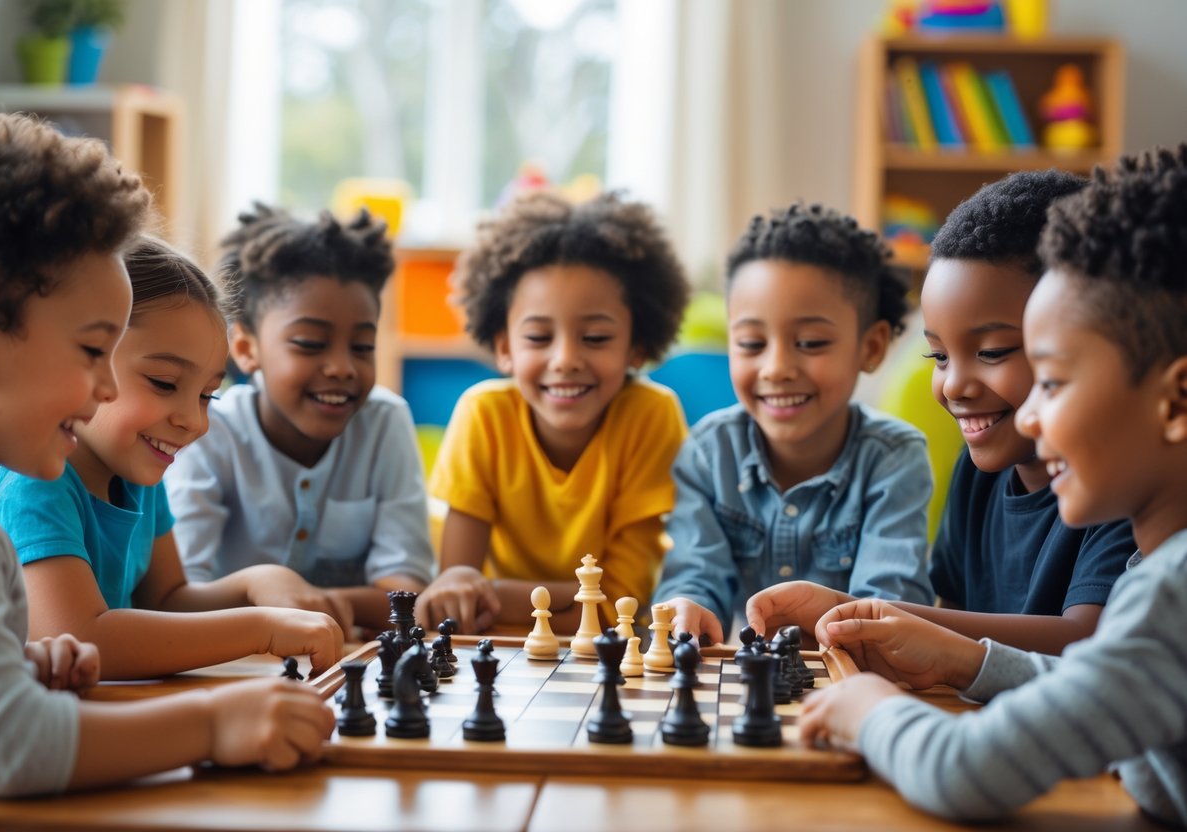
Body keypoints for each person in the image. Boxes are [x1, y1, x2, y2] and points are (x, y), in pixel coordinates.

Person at [798, 146, 1187, 826]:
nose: (1033, 413)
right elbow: (1092, 696)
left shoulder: (1171, 593)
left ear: (1176, 400)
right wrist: (962, 659)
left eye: (1053, 380)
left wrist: (868, 709)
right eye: (937, 357)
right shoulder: (1154, 574)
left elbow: (961, 771)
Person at [0, 110, 333, 798]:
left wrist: (18, 662)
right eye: (91, 352)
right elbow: (11, 747)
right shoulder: (18, 495)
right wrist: (210, 721)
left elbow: (158, 599)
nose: (105, 386)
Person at [746, 171, 1136, 655]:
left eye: (993, 352)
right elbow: (948, 618)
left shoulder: (1121, 485)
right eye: (939, 356)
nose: (953, 385)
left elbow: (1089, 645)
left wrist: (875, 616)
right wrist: (861, 622)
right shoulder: (976, 474)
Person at [0, 235, 345, 680]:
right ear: (85, 357)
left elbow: (167, 599)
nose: (194, 422)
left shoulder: (137, 474)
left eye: (207, 396)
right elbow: (81, 636)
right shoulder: (34, 482)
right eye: (163, 382)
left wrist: (254, 584)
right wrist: (260, 628)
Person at [654, 202, 934, 645]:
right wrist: (688, 603)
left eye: (810, 342)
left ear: (872, 346)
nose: (777, 367)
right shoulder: (709, 451)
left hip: (854, 683)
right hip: (753, 691)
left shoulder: (895, 458)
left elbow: (889, 601)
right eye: (751, 343)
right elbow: (694, 571)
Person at [418, 191, 690, 633]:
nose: (565, 359)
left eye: (596, 338)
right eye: (539, 338)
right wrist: (576, 595)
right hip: (495, 648)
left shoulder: (651, 416)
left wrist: (492, 593)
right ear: (505, 347)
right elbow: (455, 595)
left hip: (607, 655)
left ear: (636, 347)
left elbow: (619, 604)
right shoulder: (483, 414)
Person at [164, 204, 435, 632]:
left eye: (363, 347)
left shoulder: (386, 424)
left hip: (342, 663)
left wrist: (303, 605)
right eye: (310, 343)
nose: (343, 367)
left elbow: (407, 591)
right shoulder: (208, 430)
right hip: (227, 661)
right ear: (246, 348)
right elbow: (177, 590)